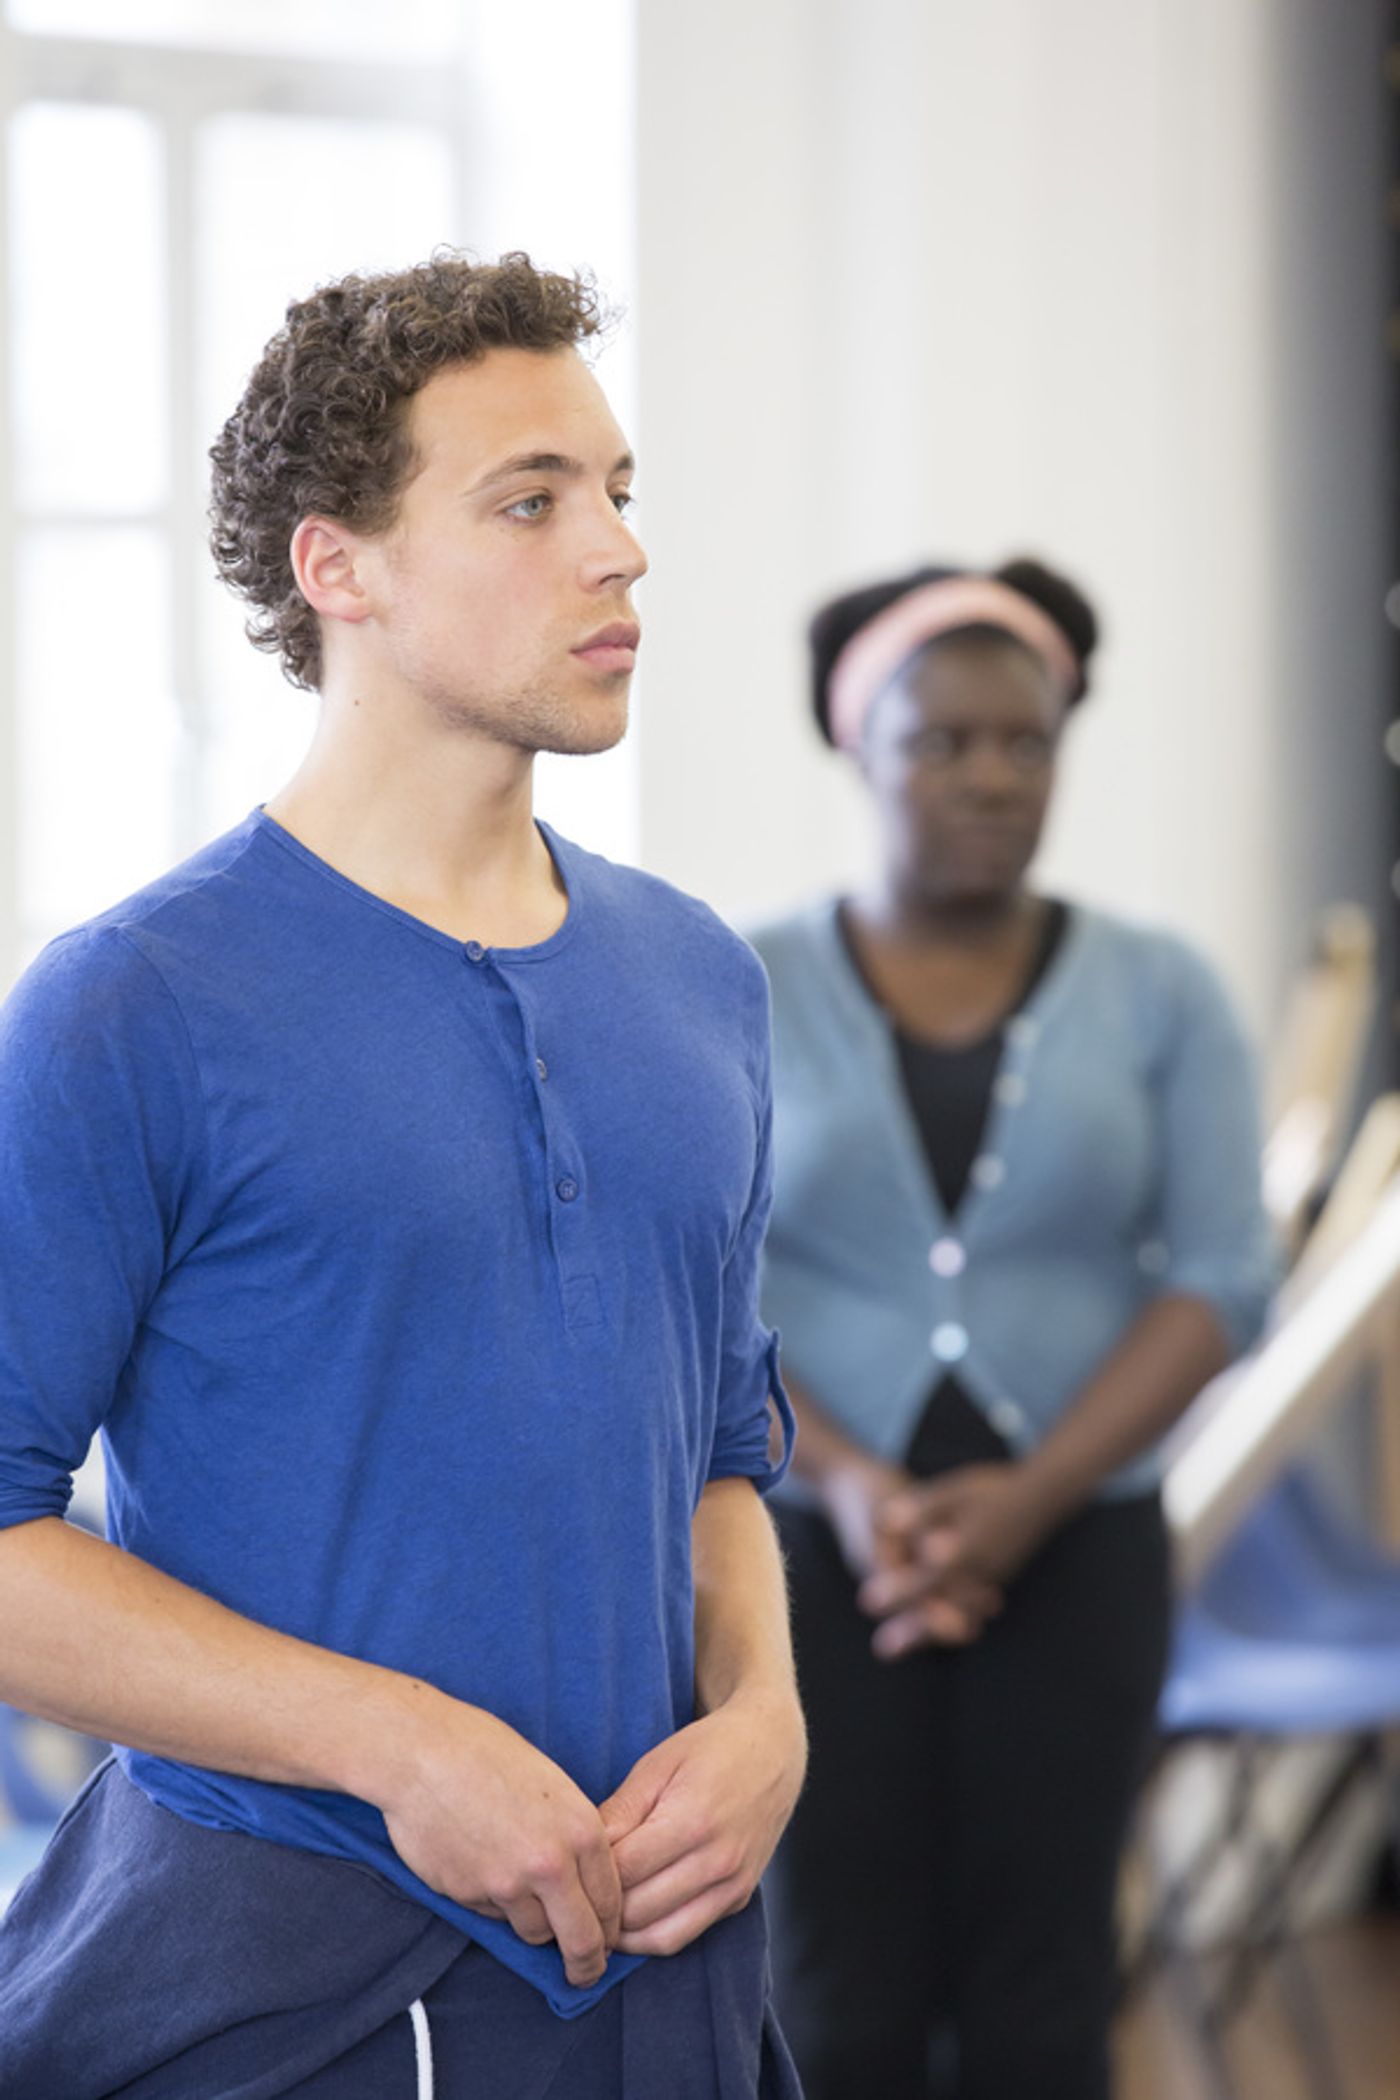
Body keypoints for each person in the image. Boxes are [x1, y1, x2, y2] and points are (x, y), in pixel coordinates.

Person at [0, 253, 806, 2099]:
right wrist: (394, 1744)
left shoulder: (700, 980)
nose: (617, 550)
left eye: (617, 492)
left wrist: (765, 1715)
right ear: (336, 568)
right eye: (531, 500)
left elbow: (722, 1454)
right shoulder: (135, 1006)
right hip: (288, 1990)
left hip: (670, 1975)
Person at [750, 557, 1276, 2100]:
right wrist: (847, 1481)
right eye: (942, 741)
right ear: (862, 751)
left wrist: (1023, 1507)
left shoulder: (1162, 990)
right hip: (803, 1547)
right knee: (834, 1991)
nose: (989, 776)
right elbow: (702, 1284)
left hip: (1082, 1543)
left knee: (1047, 2003)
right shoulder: (742, 984)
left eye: (1024, 743)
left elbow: (1222, 1277)